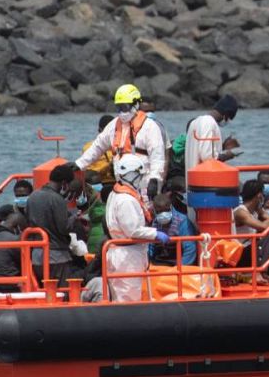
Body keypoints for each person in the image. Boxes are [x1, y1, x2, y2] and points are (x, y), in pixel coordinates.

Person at [76, 84, 166, 199]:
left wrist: (155, 179)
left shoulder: (150, 127)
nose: (121, 112)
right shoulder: (113, 125)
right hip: (121, 185)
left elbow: (157, 157)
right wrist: (79, 164)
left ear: (136, 104)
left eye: (124, 107)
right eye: (118, 107)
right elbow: (97, 147)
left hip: (144, 185)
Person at [104, 153, 168, 302]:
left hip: (122, 252)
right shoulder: (126, 200)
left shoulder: (117, 194)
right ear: (132, 175)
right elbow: (133, 230)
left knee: (121, 296)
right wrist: (155, 234)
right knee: (128, 298)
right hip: (127, 255)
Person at [25, 163, 79, 282]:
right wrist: (75, 217)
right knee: (62, 295)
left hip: (36, 257)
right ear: (64, 183)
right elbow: (64, 228)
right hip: (57, 258)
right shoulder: (57, 199)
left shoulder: (33, 197)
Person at [184, 94, 242, 172]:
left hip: (192, 176)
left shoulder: (195, 122)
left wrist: (222, 146)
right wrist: (228, 155)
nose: (227, 121)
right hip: (203, 178)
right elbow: (207, 157)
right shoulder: (208, 123)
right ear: (226, 114)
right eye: (228, 118)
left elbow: (200, 149)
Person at [150, 191, 201, 267]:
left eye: (166, 210)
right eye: (159, 211)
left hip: (179, 262)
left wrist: (179, 267)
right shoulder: (154, 222)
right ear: (154, 211)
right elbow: (150, 247)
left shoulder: (182, 222)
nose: (163, 214)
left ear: (170, 207)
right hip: (159, 262)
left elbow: (190, 249)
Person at [82, 114, 116, 183]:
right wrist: (107, 167)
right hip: (99, 183)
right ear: (100, 130)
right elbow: (88, 175)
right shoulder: (89, 147)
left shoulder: (121, 146)